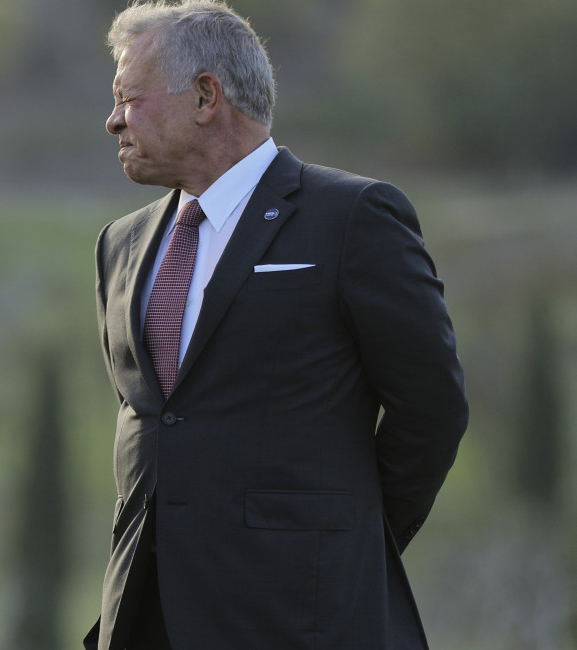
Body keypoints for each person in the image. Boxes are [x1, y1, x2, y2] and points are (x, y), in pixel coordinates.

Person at [85, 2, 468, 648]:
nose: (112, 120)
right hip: (146, 618)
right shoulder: (118, 245)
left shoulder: (352, 219)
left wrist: (340, 540)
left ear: (206, 95)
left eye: (129, 98)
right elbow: (152, 426)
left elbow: (430, 409)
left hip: (302, 618)